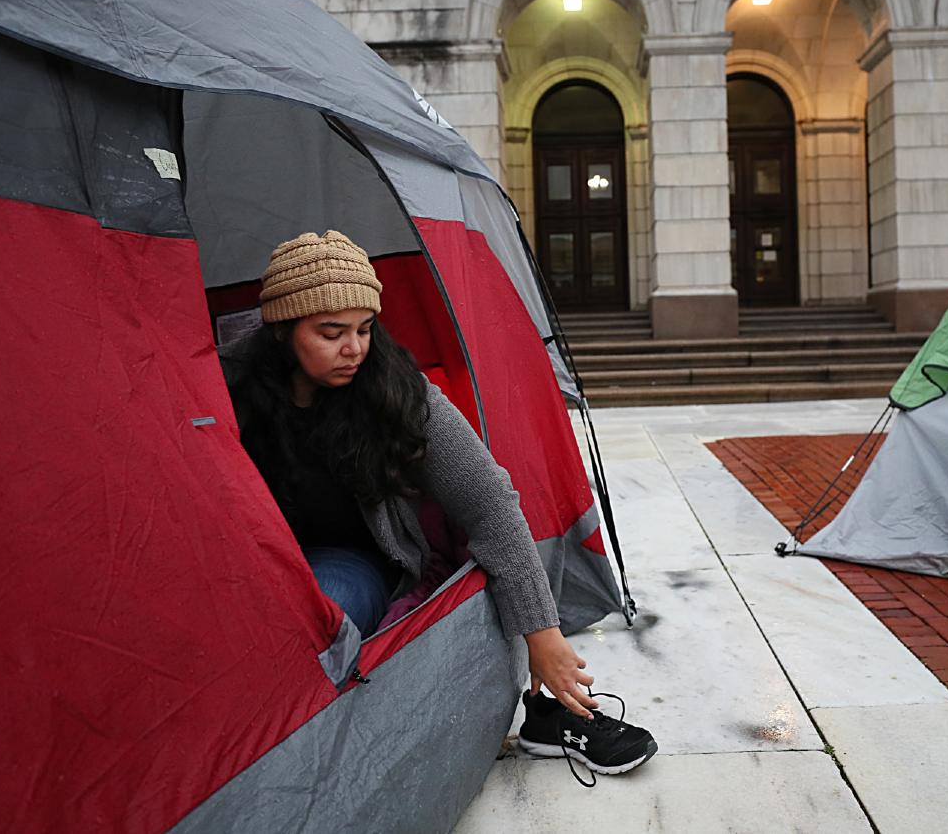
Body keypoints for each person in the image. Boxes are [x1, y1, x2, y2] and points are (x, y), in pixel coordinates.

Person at [223, 231, 655, 780]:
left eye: (364, 328)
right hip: (247, 559)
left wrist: (542, 636)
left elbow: (491, 505)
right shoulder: (223, 385)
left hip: (348, 562)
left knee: (316, 619)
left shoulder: (397, 392)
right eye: (330, 333)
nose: (354, 348)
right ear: (282, 331)